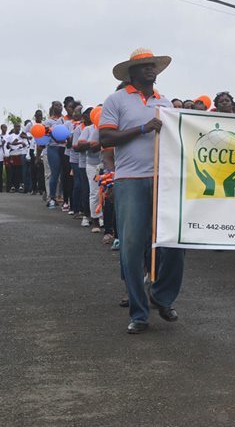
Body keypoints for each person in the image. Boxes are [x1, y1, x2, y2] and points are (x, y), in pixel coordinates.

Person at [100, 48, 185, 334]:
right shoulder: (116, 100)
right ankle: (139, 313)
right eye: (145, 66)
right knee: (132, 248)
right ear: (131, 72)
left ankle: (162, 296)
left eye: (153, 66)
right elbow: (106, 136)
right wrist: (143, 128)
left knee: (174, 242)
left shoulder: (164, 102)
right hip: (130, 180)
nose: (151, 69)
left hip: (164, 180)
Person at [77, 108, 102, 232]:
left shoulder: (109, 128)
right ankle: (95, 220)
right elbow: (79, 145)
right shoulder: (88, 129)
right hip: (92, 164)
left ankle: (103, 217)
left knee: (105, 193)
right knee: (94, 192)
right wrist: (92, 143)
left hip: (106, 163)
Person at [43, 102, 67, 210]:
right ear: (53, 108)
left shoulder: (64, 120)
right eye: (57, 105)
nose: (59, 107)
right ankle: (52, 197)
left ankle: (62, 196)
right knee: (55, 173)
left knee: (64, 174)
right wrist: (57, 139)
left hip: (64, 147)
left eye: (60, 105)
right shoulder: (48, 121)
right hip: (53, 147)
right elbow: (46, 133)